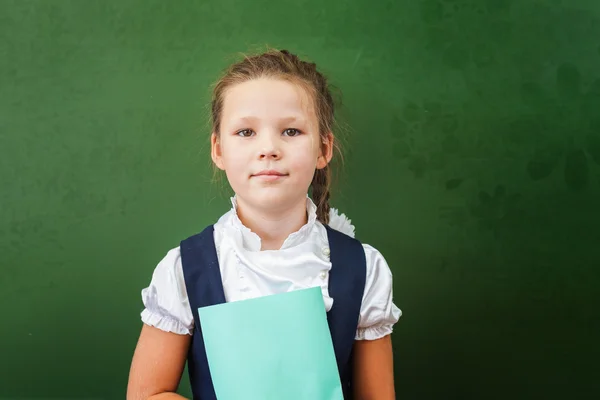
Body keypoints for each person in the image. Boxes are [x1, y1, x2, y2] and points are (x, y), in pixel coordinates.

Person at [127, 48, 401, 400]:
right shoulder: (185, 269)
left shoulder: (364, 268)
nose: (268, 148)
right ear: (218, 150)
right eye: (245, 132)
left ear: (323, 148)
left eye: (291, 130)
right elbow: (146, 394)